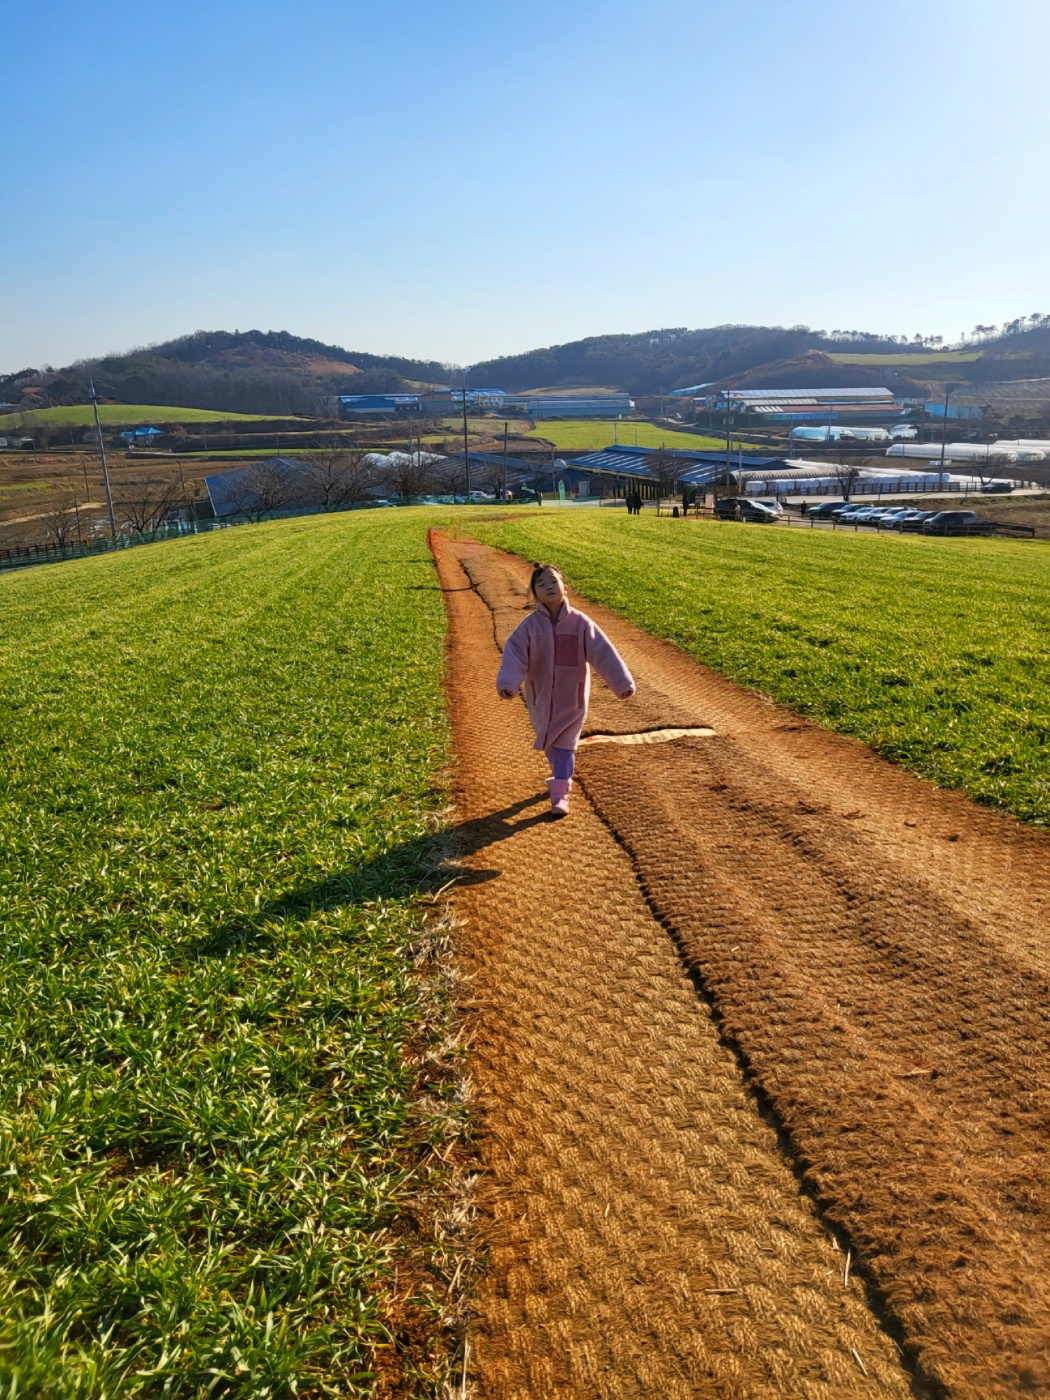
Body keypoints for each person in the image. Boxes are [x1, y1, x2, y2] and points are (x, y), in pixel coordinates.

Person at [496, 563, 635, 817]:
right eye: (541, 584)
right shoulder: (528, 628)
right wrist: (508, 683)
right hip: (541, 699)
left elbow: (603, 653)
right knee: (551, 744)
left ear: (565, 588)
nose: (549, 587)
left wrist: (622, 683)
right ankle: (561, 775)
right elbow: (514, 654)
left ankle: (560, 795)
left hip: (572, 699)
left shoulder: (581, 623)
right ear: (534, 594)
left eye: (553, 582)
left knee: (565, 745)